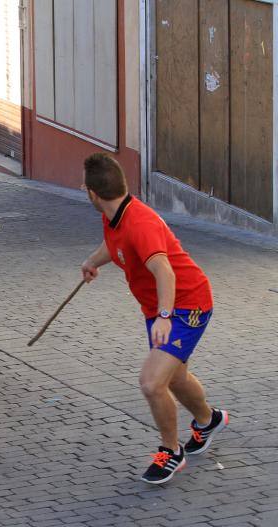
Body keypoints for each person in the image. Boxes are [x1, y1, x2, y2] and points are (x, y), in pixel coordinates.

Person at [80, 153, 228, 485]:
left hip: (186, 307)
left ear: (91, 192)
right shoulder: (114, 215)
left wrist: (164, 316)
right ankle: (208, 420)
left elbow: (164, 270)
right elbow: (116, 245)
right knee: (174, 379)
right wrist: (93, 261)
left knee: (151, 382)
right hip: (161, 310)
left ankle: (170, 452)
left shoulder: (140, 223)